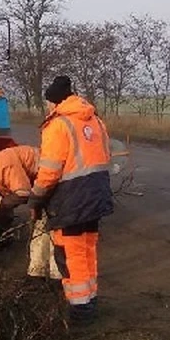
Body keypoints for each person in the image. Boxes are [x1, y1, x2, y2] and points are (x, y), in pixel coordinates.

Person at [28, 76, 113, 324]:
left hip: (71, 200)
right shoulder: (95, 120)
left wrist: (36, 198)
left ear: (53, 102)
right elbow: (106, 154)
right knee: (87, 250)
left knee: (71, 254)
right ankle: (91, 299)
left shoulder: (58, 125)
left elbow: (50, 171)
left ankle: (80, 312)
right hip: (96, 195)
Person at [0, 146, 62, 283]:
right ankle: (36, 273)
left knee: (54, 230)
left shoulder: (2, 167)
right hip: (43, 182)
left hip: (52, 181)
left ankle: (57, 276)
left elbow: (22, 193)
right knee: (41, 228)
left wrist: (1, 202)